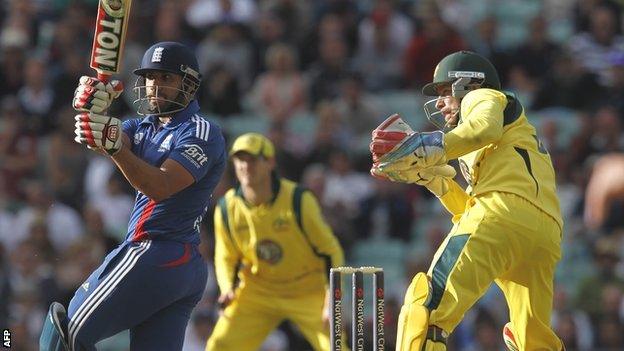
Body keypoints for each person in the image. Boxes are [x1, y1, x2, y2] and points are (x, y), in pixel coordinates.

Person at [369, 51, 564, 350]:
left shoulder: (484, 97)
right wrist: (433, 180)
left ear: (469, 86)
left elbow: (483, 129)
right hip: (544, 236)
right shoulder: (512, 140)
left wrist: (429, 145)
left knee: (428, 307)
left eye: (446, 91)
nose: (439, 102)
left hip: (502, 215)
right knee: (533, 340)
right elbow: (472, 212)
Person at [39, 41, 226, 351]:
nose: (155, 86)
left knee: (64, 334)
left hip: (159, 252)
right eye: (151, 77)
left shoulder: (201, 131)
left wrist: (113, 147)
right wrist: (91, 109)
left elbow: (160, 187)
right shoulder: (142, 126)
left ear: (189, 85)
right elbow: (101, 138)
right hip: (175, 265)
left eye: (166, 78)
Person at [206, 132, 345, 351]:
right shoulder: (226, 207)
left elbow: (331, 251)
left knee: (336, 347)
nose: (245, 166)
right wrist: (226, 289)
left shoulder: (298, 199)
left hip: (307, 289)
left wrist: (333, 300)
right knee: (219, 345)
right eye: (240, 159)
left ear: (270, 162)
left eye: (253, 159)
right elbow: (226, 257)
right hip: (257, 290)